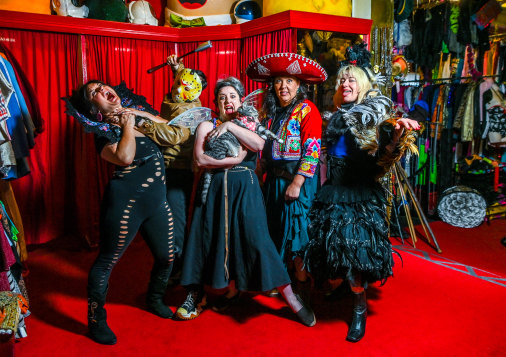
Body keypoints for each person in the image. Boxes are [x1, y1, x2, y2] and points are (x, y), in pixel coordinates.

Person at [174, 76, 315, 327]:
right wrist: (234, 159)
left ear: (240, 101)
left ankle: (292, 300)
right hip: (213, 191)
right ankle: (197, 294)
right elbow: (199, 161)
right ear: (216, 104)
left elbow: (259, 143)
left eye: (232, 96)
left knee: (259, 242)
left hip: (245, 189)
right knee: (204, 241)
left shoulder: (250, 124)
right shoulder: (206, 126)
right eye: (222, 97)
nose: (227, 100)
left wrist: (230, 128)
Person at [303, 55, 420, 343]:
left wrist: (395, 136)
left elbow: (382, 157)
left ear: (364, 85)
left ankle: (358, 310)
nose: (345, 83)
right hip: (333, 189)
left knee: (356, 252)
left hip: (359, 193)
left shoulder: (373, 116)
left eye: (351, 78)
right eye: (342, 79)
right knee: (334, 246)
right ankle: (345, 286)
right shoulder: (333, 118)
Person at [66, 80, 189, 345]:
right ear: (93, 107)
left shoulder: (135, 118)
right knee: (106, 261)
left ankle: (154, 298)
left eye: (102, 86)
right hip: (126, 203)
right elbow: (124, 157)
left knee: (168, 256)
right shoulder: (103, 131)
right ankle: (96, 319)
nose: (101, 90)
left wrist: (135, 114)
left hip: (157, 201)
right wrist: (127, 125)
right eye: (94, 92)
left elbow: (168, 127)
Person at [246, 53, 327, 299]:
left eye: (289, 81)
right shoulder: (270, 115)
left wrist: (297, 183)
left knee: (297, 231)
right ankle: (280, 278)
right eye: (279, 81)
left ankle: (300, 286)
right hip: (274, 180)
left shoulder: (307, 110)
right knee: (276, 229)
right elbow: (265, 149)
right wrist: (260, 172)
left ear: (299, 85)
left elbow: (312, 150)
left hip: (296, 181)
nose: (284, 86)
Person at [161, 54, 206, 277]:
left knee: (175, 222)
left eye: (187, 84)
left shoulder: (190, 109)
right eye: (179, 81)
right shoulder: (181, 101)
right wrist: (177, 68)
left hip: (177, 170)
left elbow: (171, 136)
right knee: (170, 220)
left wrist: (144, 124)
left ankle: (178, 268)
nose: (179, 88)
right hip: (170, 168)